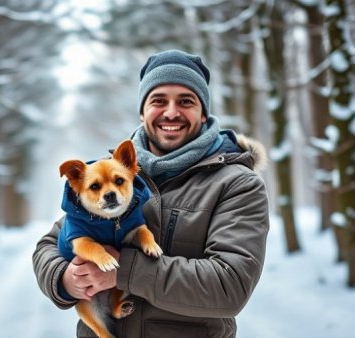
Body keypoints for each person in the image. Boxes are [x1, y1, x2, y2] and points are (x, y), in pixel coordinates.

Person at [33, 49, 269, 338]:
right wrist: (65, 279)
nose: (171, 112)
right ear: (142, 111)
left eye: (186, 101)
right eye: (158, 100)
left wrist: (122, 271)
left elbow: (230, 286)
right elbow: (50, 244)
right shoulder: (112, 174)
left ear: (204, 112)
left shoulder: (236, 183)